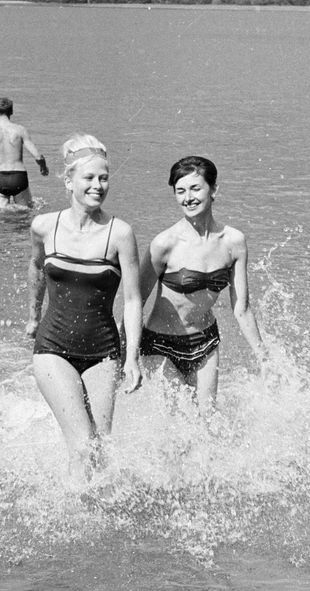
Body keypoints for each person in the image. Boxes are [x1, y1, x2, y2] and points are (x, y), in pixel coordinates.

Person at [25, 134, 142, 475]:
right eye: (89, 178)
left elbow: (133, 298)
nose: (98, 185)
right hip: (53, 349)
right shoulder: (44, 226)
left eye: (104, 178)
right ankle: (74, 522)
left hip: (103, 352)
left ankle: (102, 519)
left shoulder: (120, 233)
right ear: (69, 181)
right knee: (82, 445)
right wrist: (32, 316)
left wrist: (131, 355)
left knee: (102, 448)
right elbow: (35, 268)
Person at [138, 156, 266, 417]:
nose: (188, 198)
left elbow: (241, 308)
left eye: (195, 188)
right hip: (161, 345)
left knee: (207, 423)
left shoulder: (234, 241)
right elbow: (134, 301)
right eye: (180, 191)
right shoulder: (165, 244)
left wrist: (263, 356)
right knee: (176, 426)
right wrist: (125, 355)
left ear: (214, 189)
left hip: (205, 343)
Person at [0, 97, 48, 208]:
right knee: (25, 214)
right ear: (12, 111)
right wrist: (44, 168)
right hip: (18, 177)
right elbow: (38, 157)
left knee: (0, 217)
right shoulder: (20, 130)